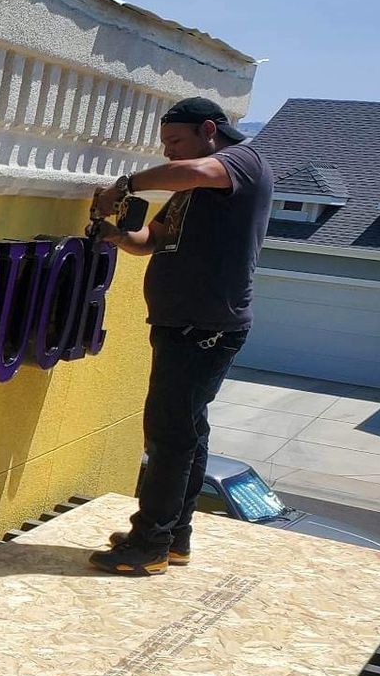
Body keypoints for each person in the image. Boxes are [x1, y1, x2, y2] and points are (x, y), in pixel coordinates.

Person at [85, 96, 272, 576]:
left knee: (168, 436)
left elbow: (193, 172)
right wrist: (115, 234)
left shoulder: (240, 164)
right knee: (186, 434)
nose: (169, 153)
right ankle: (172, 537)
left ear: (209, 129)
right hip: (183, 323)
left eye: (175, 142)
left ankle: (149, 544)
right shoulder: (193, 187)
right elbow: (155, 239)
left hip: (205, 326)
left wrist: (127, 183)